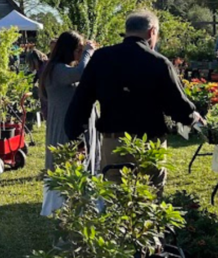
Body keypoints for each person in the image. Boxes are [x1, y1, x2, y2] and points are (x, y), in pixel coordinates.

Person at [65, 10, 203, 192]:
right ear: (152, 32)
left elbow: (81, 101)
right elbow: (177, 106)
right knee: (150, 200)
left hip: (114, 142)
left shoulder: (101, 58)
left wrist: (75, 136)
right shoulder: (158, 62)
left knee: (115, 201)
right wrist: (194, 118)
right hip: (149, 144)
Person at [42, 32, 94, 171]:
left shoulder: (57, 69)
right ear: (68, 50)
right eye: (78, 50)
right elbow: (81, 72)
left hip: (67, 124)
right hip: (63, 127)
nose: (79, 54)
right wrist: (88, 53)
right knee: (64, 167)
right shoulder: (58, 70)